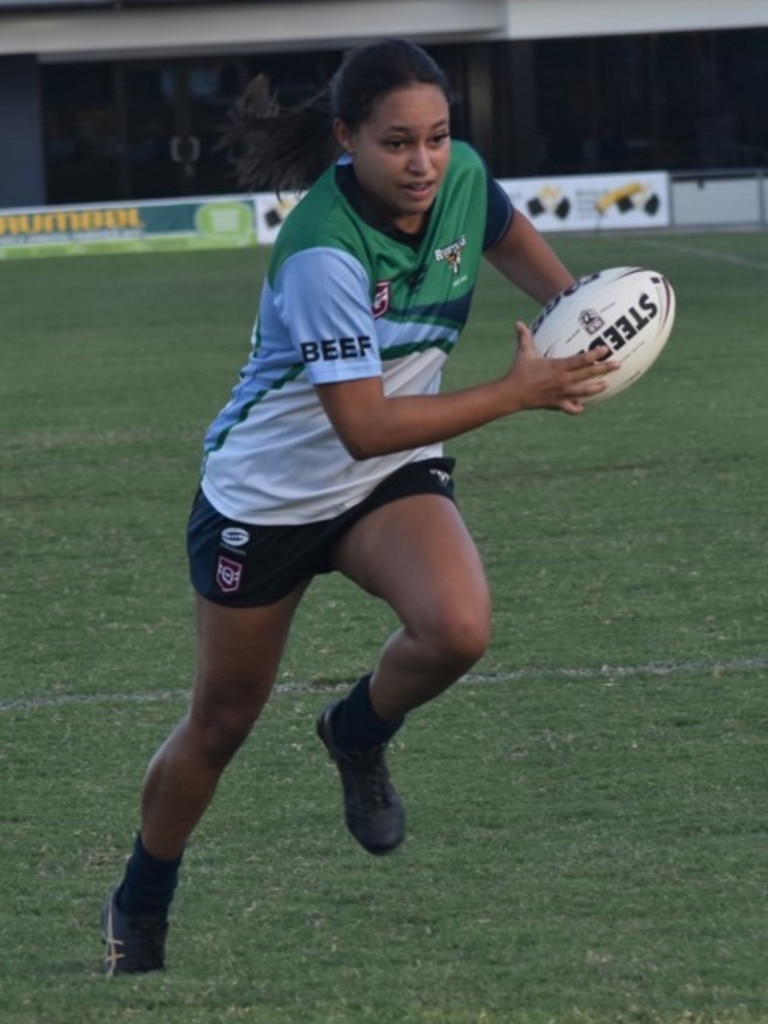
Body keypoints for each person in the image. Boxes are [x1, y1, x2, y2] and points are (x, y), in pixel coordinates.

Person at [101, 37, 617, 976]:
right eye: (396, 143)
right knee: (220, 726)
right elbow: (363, 425)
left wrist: (581, 315)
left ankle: (356, 732)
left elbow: (504, 234)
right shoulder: (321, 253)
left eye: (437, 137)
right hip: (268, 499)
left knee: (458, 628)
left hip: (386, 478)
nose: (423, 163)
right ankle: (141, 898)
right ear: (347, 140)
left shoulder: (460, 176)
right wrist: (520, 389)